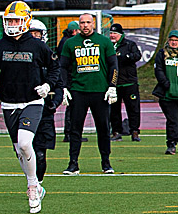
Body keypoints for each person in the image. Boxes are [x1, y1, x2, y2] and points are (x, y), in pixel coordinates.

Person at [0, 1, 61, 213]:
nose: (13, 24)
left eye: (16, 20)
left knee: (26, 144)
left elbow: (55, 68)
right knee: (19, 149)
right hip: (9, 103)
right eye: (9, 20)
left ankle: (33, 185)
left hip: (32, 101)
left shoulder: (37, 46)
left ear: (26, 20)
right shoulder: (0, 46)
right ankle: (34, 183)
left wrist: (48, 85)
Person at [59, 12, 118, 175]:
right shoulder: (70, 43)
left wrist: (112, 85)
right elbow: (63, 66)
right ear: (78, 25)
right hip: (79, 92)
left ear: (93, 23)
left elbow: (113, 64)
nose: (85, 25)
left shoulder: (104, 41)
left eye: (88, 22)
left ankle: (106, 163)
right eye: (82, 22)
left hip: (100, 91)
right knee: (75, 129)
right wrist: (64, 87)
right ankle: (73, 163)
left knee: (104, 129)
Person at [27, 19, 63, 187]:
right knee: (25, 149)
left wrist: (54, 102)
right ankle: (31, 180)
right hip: (25, 109)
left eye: (37, 34)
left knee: (41, 152)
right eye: (31, 34)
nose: (34, 37)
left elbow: (59, 83)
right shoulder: (22, 56)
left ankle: (37, 183)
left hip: (45, 112)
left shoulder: (49, 57)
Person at [109, 23, 142, 141]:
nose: (112, 35)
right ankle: (116, 132)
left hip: (129, 82)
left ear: (121, 34)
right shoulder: (107, 45)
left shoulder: (129, 44)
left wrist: (124, 56)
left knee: (133, 108)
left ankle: (134, 131)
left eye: (115, 33)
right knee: (114, 109)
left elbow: (137, 55)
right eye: (111, 33)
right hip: (114, 83)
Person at [58, 20, 82, 143]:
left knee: (73, 108)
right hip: (69, 79)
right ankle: (70, 133)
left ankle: (71, 132)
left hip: (69, 78)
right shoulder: (68, 43)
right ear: (74, 31)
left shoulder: (65, 41)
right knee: (72, 108)